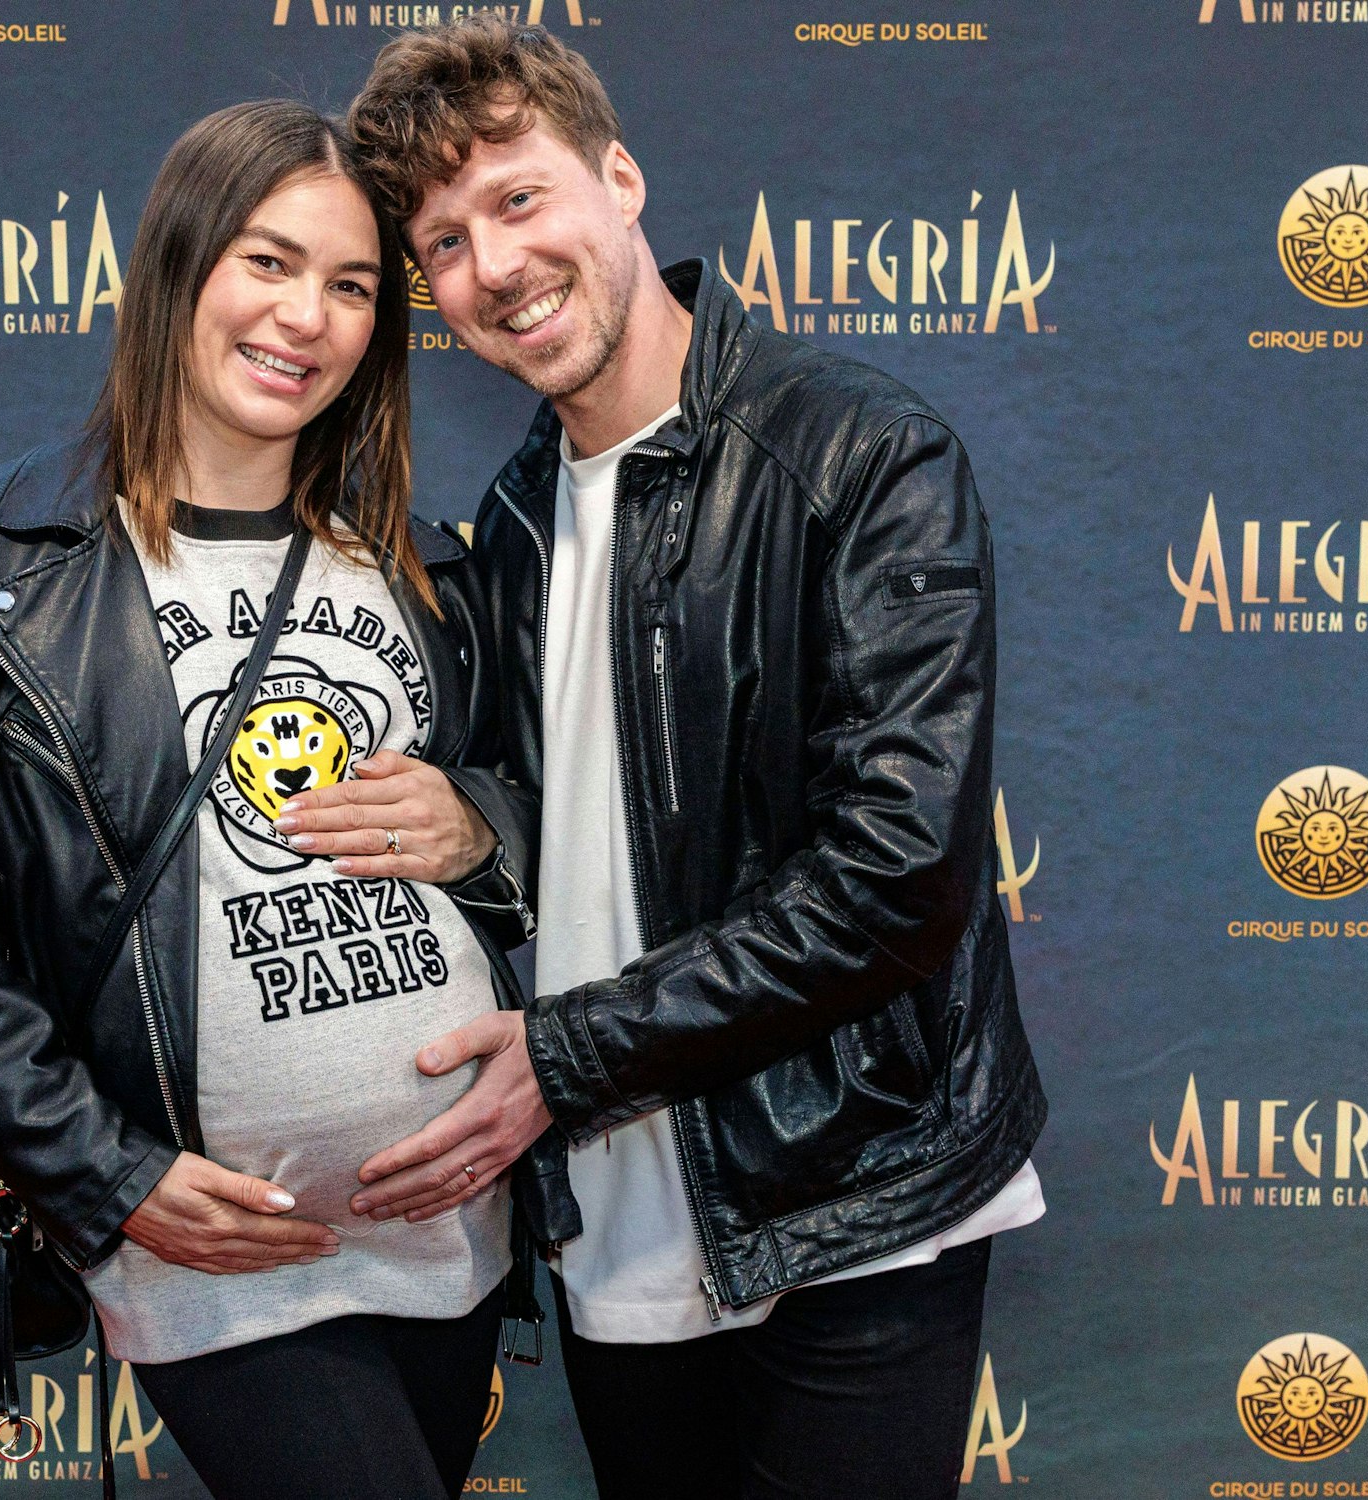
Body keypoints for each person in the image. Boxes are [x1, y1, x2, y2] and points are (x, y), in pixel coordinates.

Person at [287, 20, 1050, 1498]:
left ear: (620, 180)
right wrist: (474, 827)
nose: (493, 266)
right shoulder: (506, 527)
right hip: (620, 1241)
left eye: (518, 199)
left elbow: (898, 877)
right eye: (442, 243)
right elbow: (583, 815)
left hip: (856, 1208)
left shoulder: (859, 457)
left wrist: (563, 1060)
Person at [0, 99, 545, 1500]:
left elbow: (544, 819)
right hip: (213, 1253)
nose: (309, 317)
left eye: (351, 285)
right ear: (179, 268)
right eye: (268, 263)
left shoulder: (421, 568)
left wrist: (481, 831)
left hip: (451, 1231)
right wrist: (103, 1175)